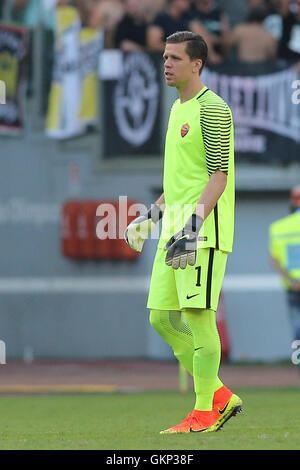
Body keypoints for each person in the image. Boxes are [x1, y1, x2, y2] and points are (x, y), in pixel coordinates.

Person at [125, 31, 242, 434]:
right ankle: (220, 395)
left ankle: (204, 411)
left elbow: (218, 177)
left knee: (197, 316)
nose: (167, 64)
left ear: (197, 64)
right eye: (164, 57)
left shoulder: (213, 109)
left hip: (201, 233)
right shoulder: (177, 110)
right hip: (173, 231)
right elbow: (179, 183)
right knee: (161, 317)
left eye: (175, 58)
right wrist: (150, 217)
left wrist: (193, 226)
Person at [269, 186, 300, 350]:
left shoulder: (278, 228)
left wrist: (292, 280)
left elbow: (274, 259)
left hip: (293, 286)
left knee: (297, 327)